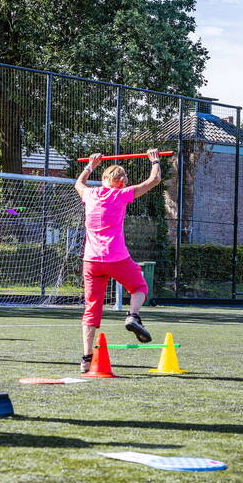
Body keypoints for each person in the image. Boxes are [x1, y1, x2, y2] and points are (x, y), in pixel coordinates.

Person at [75, 149, 163, 373]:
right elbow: (155, 180)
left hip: (91, 260)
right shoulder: (121, 194)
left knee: (91, 308)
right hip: (116, 257)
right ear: (121, 182)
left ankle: (86, 359)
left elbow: (78, 184)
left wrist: (90, 166)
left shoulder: (90, 195)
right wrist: (154, 160)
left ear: (104, 180)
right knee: (139, 287)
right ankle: (132, 316)